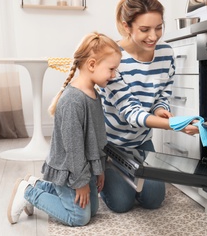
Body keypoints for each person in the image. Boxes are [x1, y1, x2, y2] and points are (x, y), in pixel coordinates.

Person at [97, 0, 199, 213]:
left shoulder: (165, 53)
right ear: (127, 26)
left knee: (153, 200)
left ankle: (129, 172)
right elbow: (131, 113)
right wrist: (175, 125)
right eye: (144, 29)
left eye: (159, 27)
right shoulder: (114, 59)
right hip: (111, 143)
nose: (153, 36)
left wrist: (162, 109)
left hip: (141, 142)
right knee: (122, 203)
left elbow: (163, 93)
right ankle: (104, 167)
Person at [7, 32, 122, 226]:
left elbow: (98, 138)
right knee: (79, 217)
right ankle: (28, 192)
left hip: (84, 168)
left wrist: (99, 169)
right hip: (70, 169)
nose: (114, 75)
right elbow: (74, 149)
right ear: (92, 64)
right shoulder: (72, 101)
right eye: (111, 69)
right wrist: (80, 182)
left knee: (92, 209)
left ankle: (37, 184)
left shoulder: (94, 94)